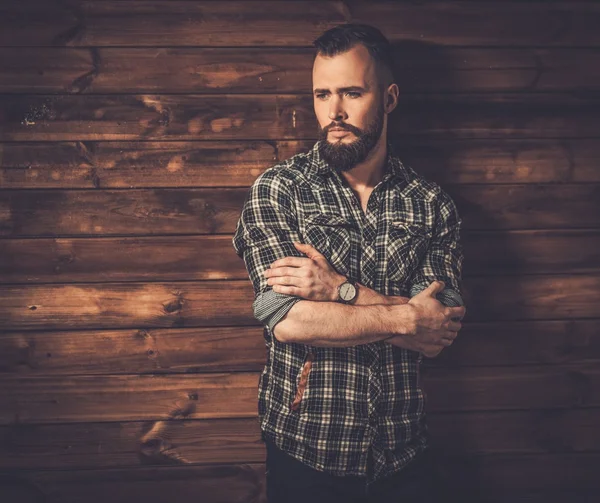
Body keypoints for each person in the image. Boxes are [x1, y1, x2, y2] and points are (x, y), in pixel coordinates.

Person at [232, 23, 467, 503]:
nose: (334, 112)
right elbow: (289, 321)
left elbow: (437, 331)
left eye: (352, 92)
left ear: (389, 98)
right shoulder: (280, 190)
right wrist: (404, 316)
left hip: (404, 453)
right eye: (322, 94)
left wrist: (342, 291)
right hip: (306, 453)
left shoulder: (431, 204)